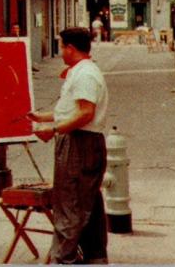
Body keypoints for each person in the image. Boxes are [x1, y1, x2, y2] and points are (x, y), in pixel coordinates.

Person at [28, 27, 108, 264]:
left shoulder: (85, 75)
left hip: (79, 143)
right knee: (88, 201)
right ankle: (95, 256)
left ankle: (65, 258)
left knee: (70, 202)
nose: (60, 51)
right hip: (82, 140)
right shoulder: (81, 71)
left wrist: (53, 130)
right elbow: (73, 110)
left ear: (71, 48)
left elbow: (85, 113)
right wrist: (43, 117)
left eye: (62, 46)